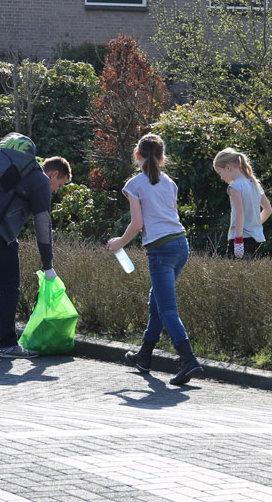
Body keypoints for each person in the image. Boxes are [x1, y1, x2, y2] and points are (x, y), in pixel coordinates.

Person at [0, 134, 71, 358]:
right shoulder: (39, 180)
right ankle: (7, 343)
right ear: (54, 174)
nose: (56, 190)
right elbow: (42, 224)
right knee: (9, 285)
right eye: (60, 184)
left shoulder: (11, 169)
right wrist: (47, 264)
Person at [108, 133, 202, 386]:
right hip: (181, 244)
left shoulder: (134, 185)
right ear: (162, 158)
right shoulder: (170, 182)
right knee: (157, 301)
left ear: (136, 156)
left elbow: (137, 224)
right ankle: (144, 356)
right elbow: (170, 215)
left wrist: (118, 243)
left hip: (160, 250)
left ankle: (188, 359)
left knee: (167, 308)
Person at [213, 148, 272, 259]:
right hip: (257, 239)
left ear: (228, 167)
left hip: (241, 239)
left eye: (220, 173)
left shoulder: (234, 187)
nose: (221, 177)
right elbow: (268, 209)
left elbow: (239, 213)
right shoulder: (255, 183)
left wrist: (238, 240)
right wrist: (254, 224)